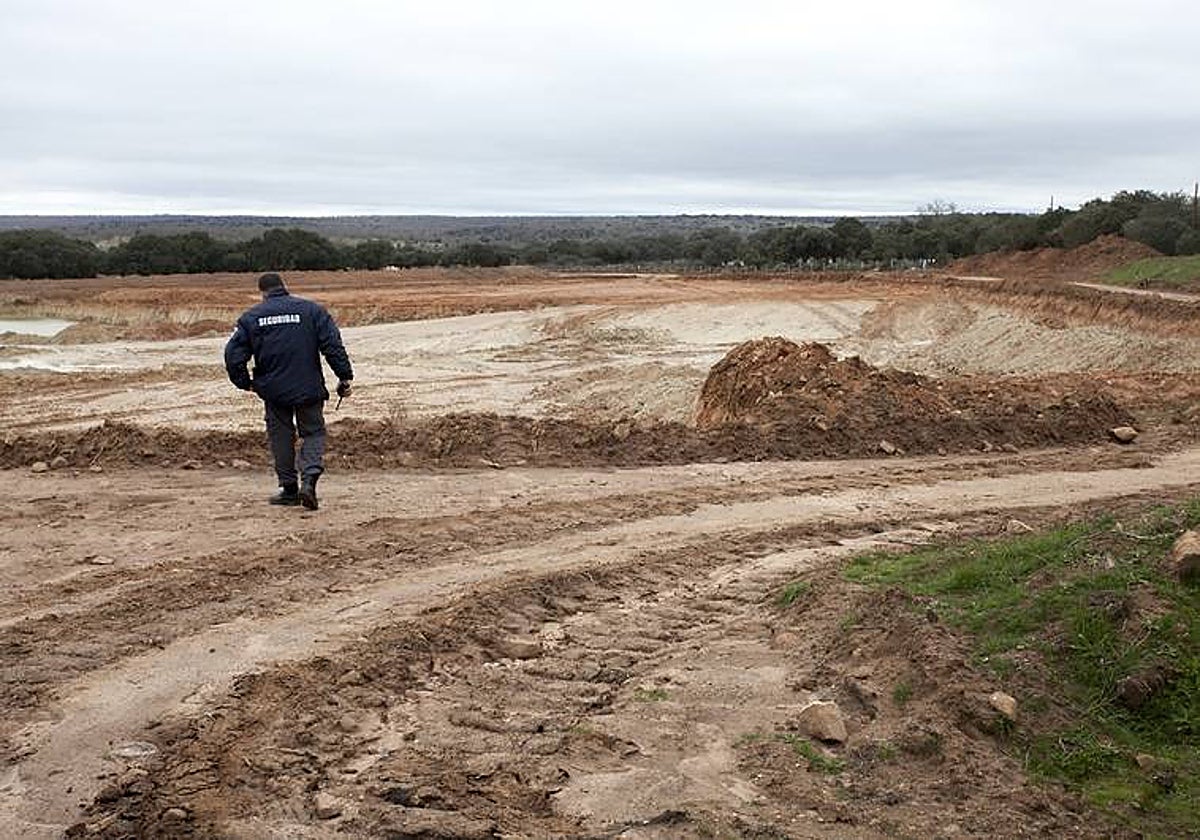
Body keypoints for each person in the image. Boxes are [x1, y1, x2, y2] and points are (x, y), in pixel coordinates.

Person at [224, 272, 354, 510]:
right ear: (285, 286)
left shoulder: (251, 318)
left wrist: (245, 383)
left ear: (262, 292)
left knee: (280, 436)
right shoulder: (311, 311)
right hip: (309, 387)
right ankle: (310, 481)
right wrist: (344, 376)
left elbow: (233, 356)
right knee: (313, 433)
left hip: (273, 391)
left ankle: (289, 489)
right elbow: (332, 345)